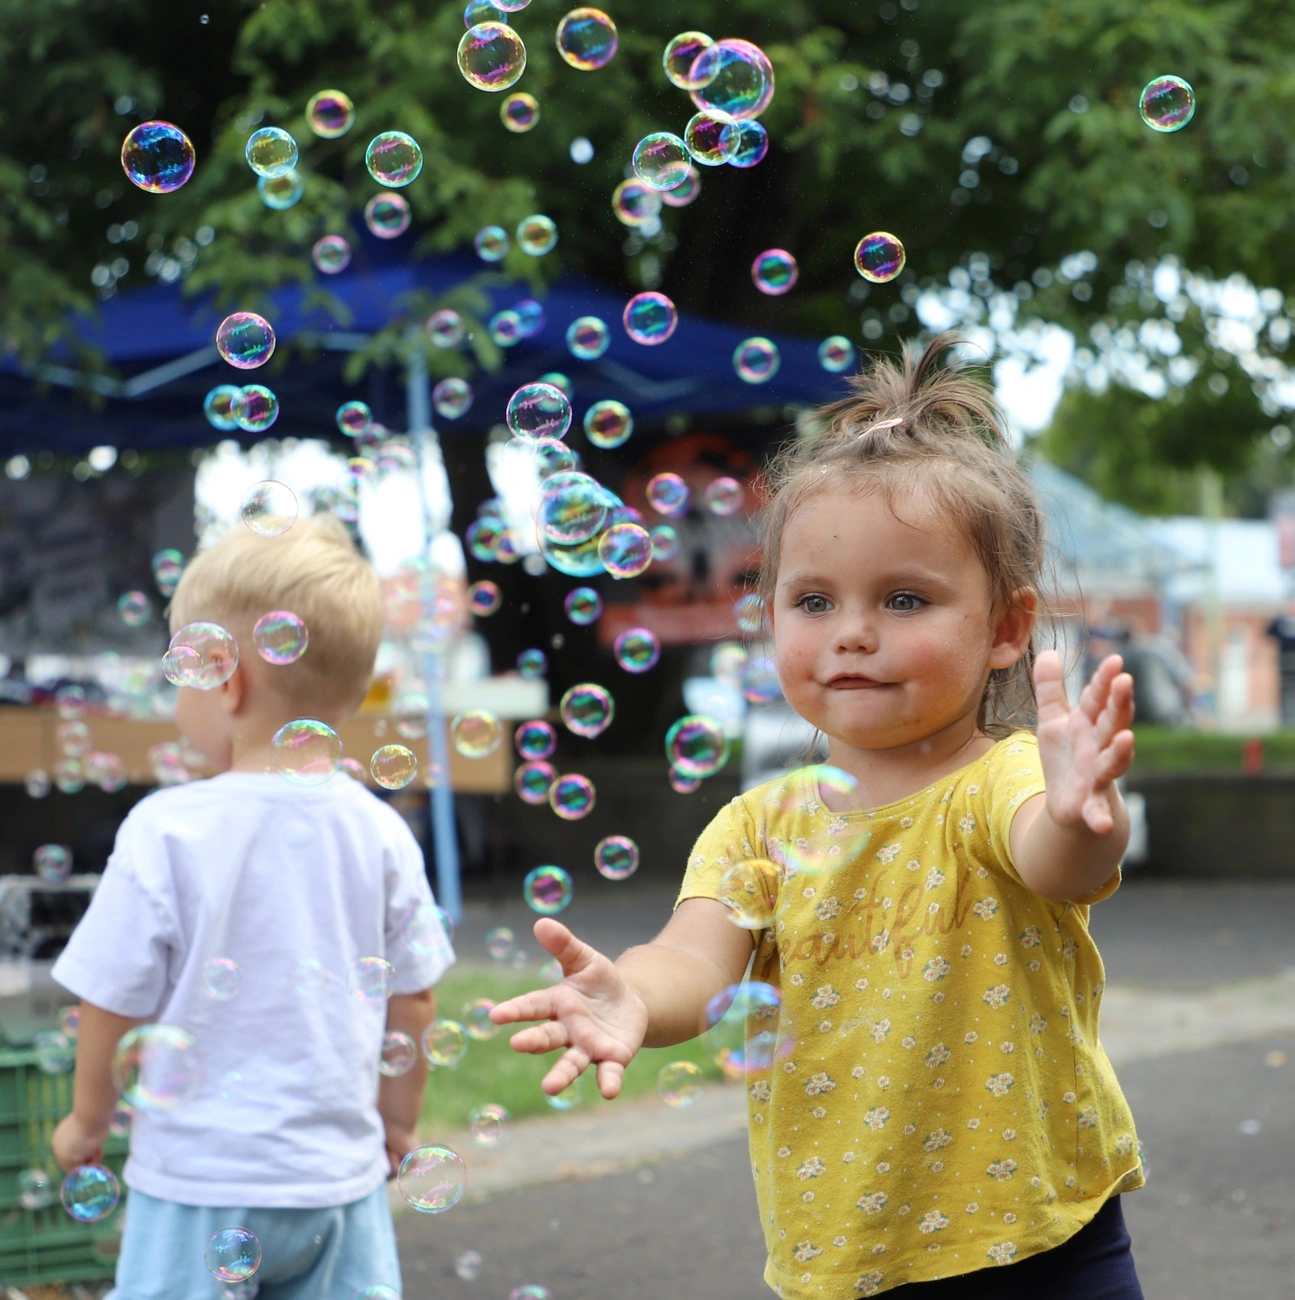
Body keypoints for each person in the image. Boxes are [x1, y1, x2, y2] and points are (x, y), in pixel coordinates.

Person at [492, 332, 1145, 1300]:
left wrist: (1080, 811)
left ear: (1005, 628)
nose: (850, 631)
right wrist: (631, 993)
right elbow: (691, 960)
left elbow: (1056, 859)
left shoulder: (998, 783)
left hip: (1044, 1240)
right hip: (847, 1253)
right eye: (811, 600)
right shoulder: (757, 828)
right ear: (769, 620)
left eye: (903, 597)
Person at [51, 514, 453, 1299]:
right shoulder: (381, 831)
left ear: (226, 680)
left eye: (181, 676)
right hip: (338, 1186)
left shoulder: (164, 829)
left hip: (199, 1189)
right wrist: (398, 1127)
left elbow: (108, 1002)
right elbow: (416, 1003)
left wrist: (87, 1123)